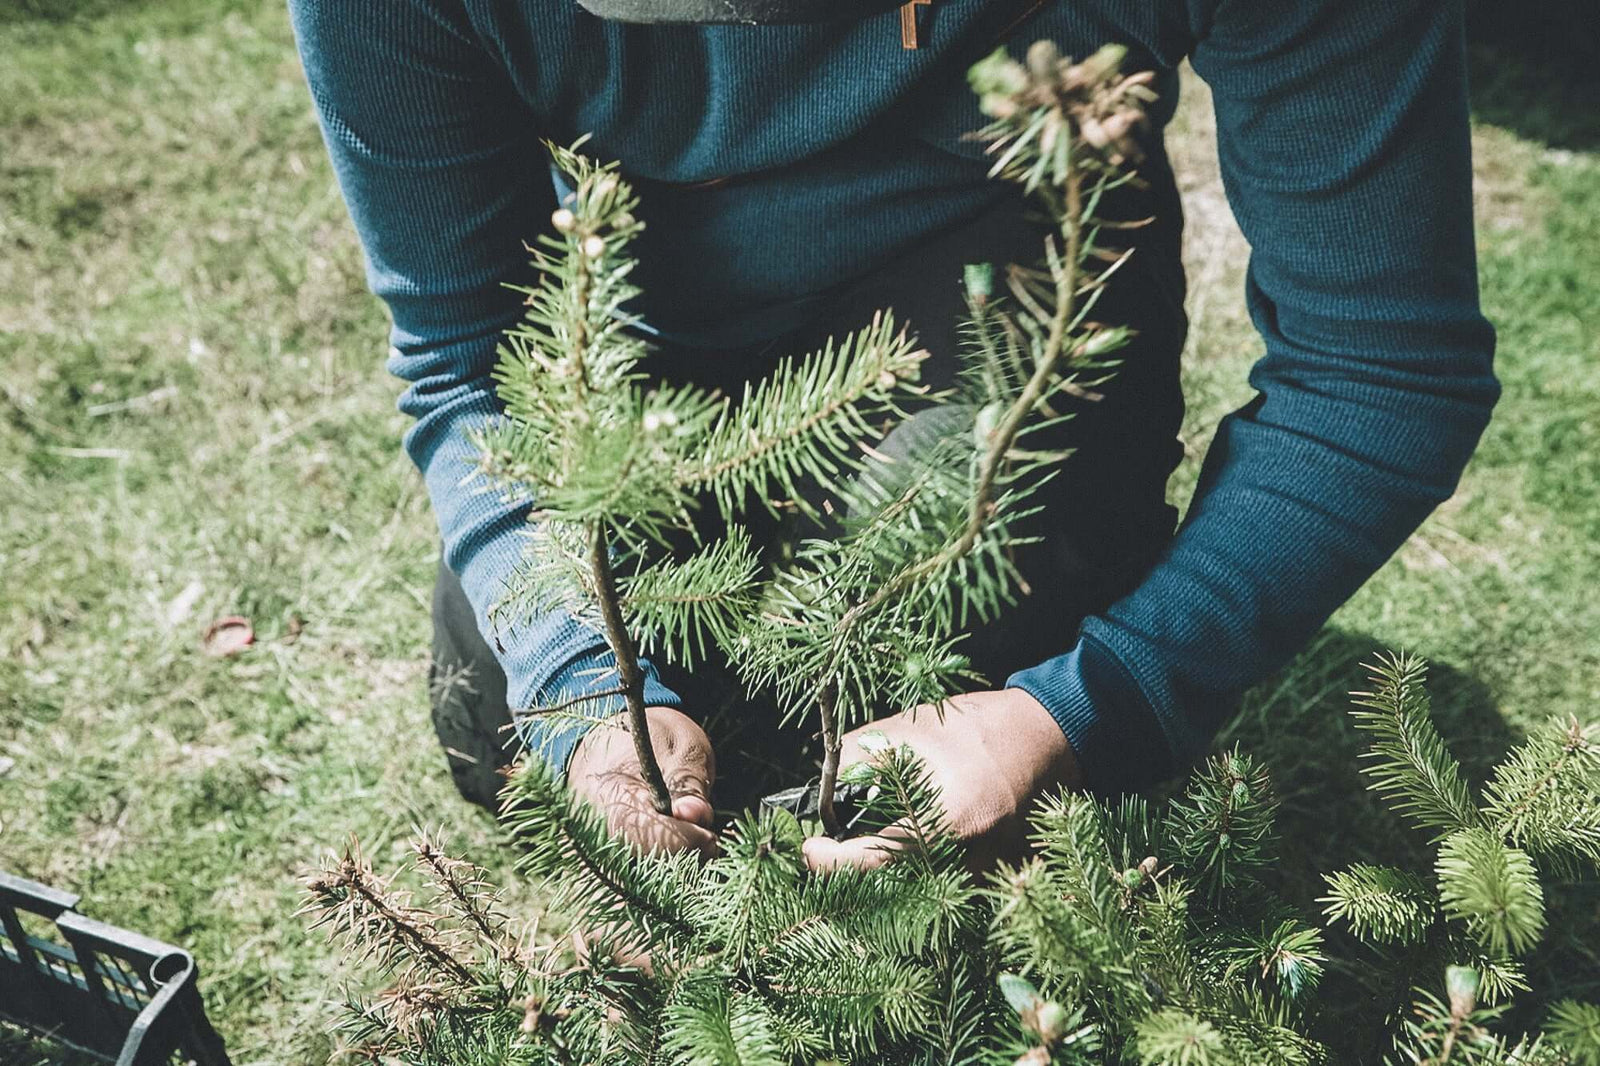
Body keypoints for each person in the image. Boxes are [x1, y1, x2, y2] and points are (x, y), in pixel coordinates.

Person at [287, 0, 1498, 871]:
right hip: (647, 309)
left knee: (965, 630)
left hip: (1008, 270)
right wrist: (573, 684)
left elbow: (1377, 372)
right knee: (496, 717)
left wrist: (1076, 712)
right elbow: (466, 355)